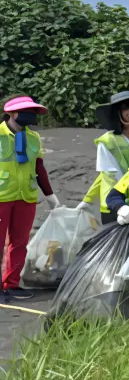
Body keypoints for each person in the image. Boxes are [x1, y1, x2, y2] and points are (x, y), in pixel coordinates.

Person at [0, 96, 61, 302]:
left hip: (25, 195)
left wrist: (50, 195)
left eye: (33, 112)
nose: (30, 116)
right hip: (2, 195)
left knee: (20, 243)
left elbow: (39, 167)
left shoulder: (33, 137)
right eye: (25, 111)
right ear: (11, 113)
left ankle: (12, 284)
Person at [80, 91, 129, 224]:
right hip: (114, 203)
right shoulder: (108, 141)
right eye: (125, 109)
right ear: (117, 114)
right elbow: (109, 175)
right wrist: (88, 199)